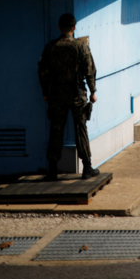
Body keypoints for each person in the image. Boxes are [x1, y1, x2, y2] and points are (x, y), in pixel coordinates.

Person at [38, 13, 99, 180]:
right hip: (77, 95)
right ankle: (87, 168)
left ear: (59, 27)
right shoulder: (81, 46)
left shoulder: (51, 47)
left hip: (57, 96)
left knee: (56, 130)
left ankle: (52, 171)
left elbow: (42, 71)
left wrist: (45, 92)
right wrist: (93, 91)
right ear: (74, 27)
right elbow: (89, 70)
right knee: (81, 128)